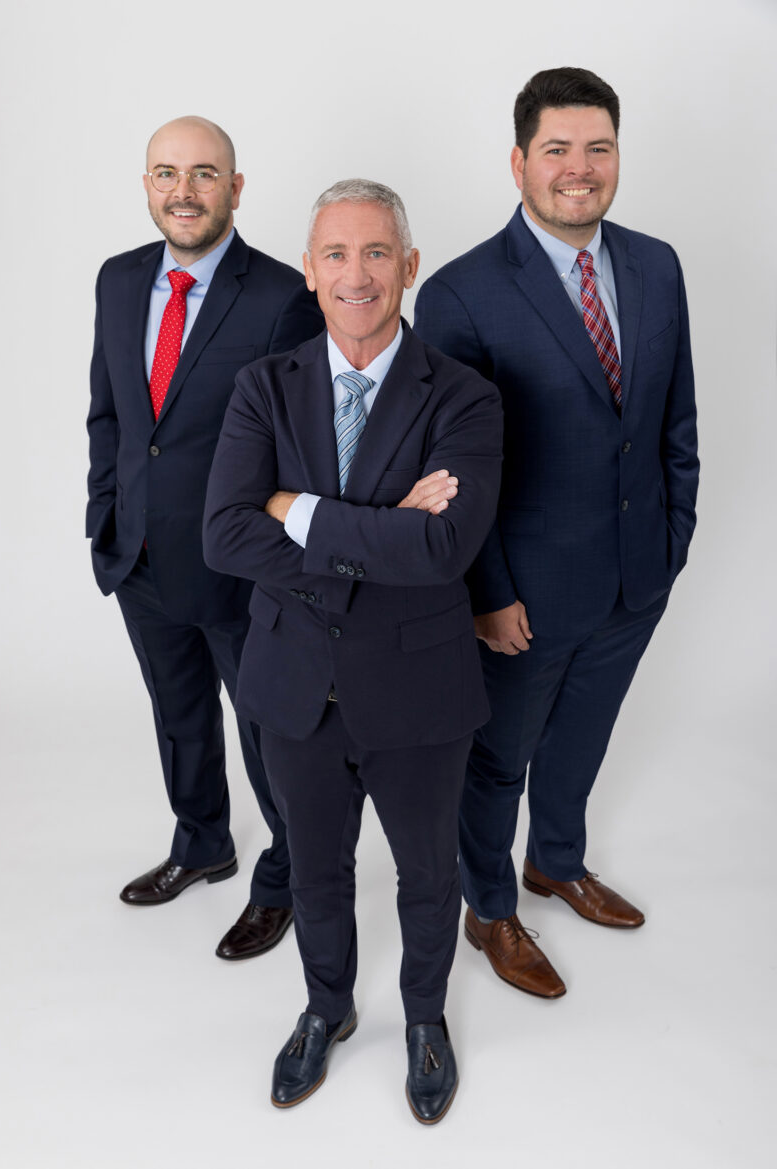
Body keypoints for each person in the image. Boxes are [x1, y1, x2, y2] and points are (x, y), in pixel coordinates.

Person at [203, 180, 502, 1123]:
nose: (357, 273)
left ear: (409, 267)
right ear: (309, 269)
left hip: (420, 689)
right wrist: (379, 531)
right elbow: (223, 535)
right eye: (336, 254)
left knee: (427, 873)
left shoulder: (466, 396)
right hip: (294, 686)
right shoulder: (264, 385)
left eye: (378, 253)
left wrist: (301, 513)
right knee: (318, 871)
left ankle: (423, 1019)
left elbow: (444, 549)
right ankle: (325, 1008)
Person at [414, 68, 699, 996]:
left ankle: (557, 862)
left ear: (618, 156)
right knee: (498, 762)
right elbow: (456, 477)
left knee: (584, 739)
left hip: (634, 575)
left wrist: (672, 542)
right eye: (557, 151)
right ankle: (489, 906)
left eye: (599, 148)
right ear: (519, 163)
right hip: (522, 596)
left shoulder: (656, 264)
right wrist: (488, 594)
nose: (580, 169)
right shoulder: (461, 294)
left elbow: (673, 424)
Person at [86, 116, 323, 960]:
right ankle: (202, 842)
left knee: (267, 733)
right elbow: (112, 418)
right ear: (147, 184)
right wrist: (105, 520)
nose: (182, 190)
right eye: (165, 173)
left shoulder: (279, 297)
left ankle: (286, 875)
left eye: (203, 173)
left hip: (238, 572)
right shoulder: (119, 281)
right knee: (178, 713)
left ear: (235, 186)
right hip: (140, 556)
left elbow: (305, 449)